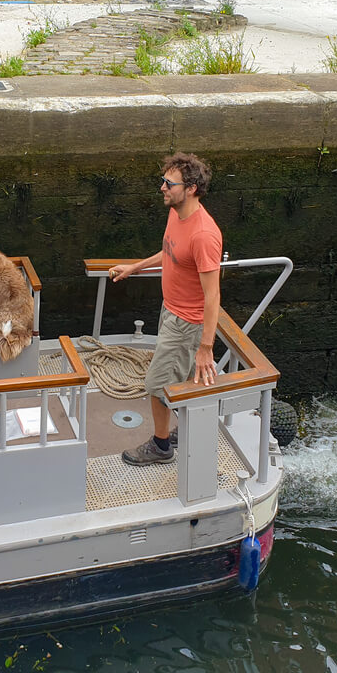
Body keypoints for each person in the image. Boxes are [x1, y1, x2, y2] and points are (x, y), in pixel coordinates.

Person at [109, 153, 223, 465]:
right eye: (163, 181)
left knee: (157, 385)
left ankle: (161, 446)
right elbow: (168, 252)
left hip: (187, 322)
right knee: (180, 381)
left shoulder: (204, 235)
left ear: (191, 189)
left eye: (168, 184)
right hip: (170, 311)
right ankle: (182, 431)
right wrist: (135, 267)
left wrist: (205, 347)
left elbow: (213, 296)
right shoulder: (176, 214)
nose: (162, 188)